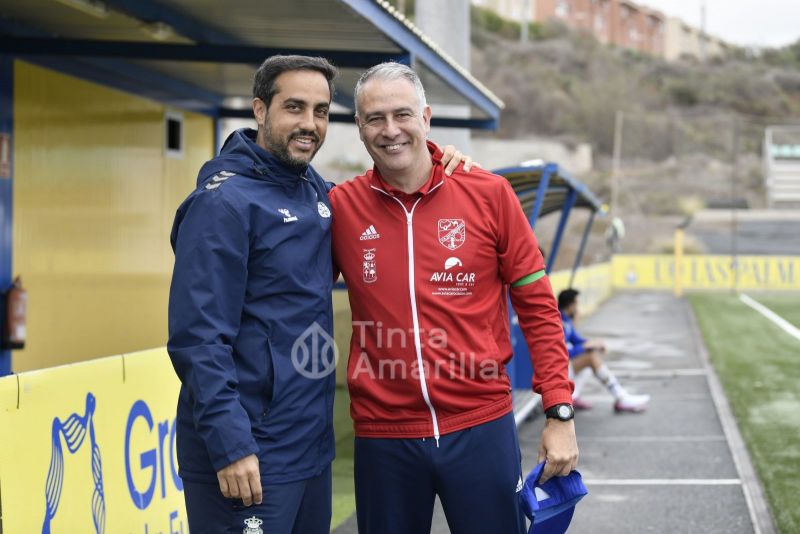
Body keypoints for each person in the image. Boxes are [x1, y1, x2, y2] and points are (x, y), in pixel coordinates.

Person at [167, 55, 472, 534]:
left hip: (309, 452)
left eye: (321, 110)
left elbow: (386, 198)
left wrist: (437, 160)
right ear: (260, 110)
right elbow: (198, 339)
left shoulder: (314, 192)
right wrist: (230, 445)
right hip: (248, 455)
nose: (309, 124)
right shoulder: (222, 205)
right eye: (294, 107)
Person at [329, 62, 579, 534]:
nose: (390, 130)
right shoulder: (341, 207)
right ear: (359, 129)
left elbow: (540, 310)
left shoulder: (490, 194)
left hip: (481, 427)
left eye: (402, 114)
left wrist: (559, 411)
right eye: (374, 119)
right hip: (385, 438)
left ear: (425, 118)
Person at [557, 288, 650, 412]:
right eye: (576, 303)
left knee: (591, 357)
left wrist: (594, 344)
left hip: (565, 367)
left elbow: (577, 340)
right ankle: (621, 398)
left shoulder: (567, 320)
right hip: (556, 371)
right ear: (570, 304)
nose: (577, 307)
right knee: (591, 358)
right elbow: (560, 352)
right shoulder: (558, 322)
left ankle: (573, 397)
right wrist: (584, 347)